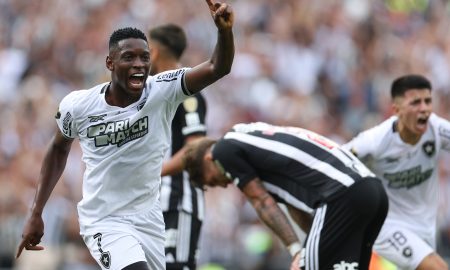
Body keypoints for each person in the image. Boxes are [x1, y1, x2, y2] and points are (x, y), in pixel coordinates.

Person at [15, 1, 234, 269]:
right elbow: (58, 149)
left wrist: (224, 32)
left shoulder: (162, 91)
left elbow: (217, 68)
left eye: (144, 57)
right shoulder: (79, 105)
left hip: (149, 219)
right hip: (104, 220)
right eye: (128, 57)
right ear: (110, 62)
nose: (139, 64)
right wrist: (36, 212)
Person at [183, 122, 389, 270]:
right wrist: (314, 246)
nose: (223, 184)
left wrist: (298, 251)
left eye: (211, 181)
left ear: (208, 160)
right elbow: (294, 206)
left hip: (341, 195)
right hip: (373, 192)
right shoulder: (255, 144)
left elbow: (262, 202)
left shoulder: (223, 150)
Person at [343, 74, 450, 270]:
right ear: (397, 110)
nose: (424, 108)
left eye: (427, 101)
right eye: (416, 102)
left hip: (426, 227)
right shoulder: (374, 142)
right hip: (388, 225)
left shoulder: (436, 128)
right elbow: (336, 162)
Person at [148, 23, 207, 269]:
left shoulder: (187, 91)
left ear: (155, 52)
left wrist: (153, 172)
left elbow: (196, 147)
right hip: (152, 203)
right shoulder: (152, 92)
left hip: (179, 200)